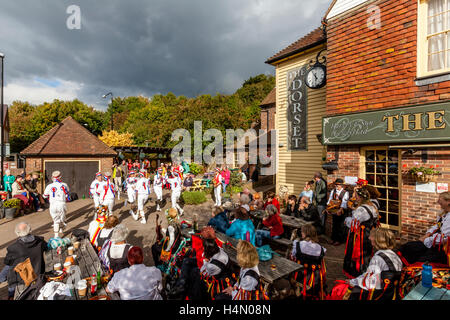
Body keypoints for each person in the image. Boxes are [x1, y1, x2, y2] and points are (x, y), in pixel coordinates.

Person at [346, 228, 402, 300]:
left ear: (378, 240)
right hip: (392, 291)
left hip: (381, 294)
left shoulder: (378, 258)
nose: (369, 238)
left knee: (343, 290)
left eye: (372, 236)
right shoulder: (394, 254)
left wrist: (353, 282)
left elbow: (370, 282)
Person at [398, 191, 450, 265]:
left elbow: (444, 238)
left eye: (440, 199)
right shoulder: (444, 212)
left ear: (448, 202)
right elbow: (437, 225)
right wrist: (426, 235)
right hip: (432, 243)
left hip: (442, 250)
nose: (438, 201)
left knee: (419, 262)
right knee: (407, 247)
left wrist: (426, 240)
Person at [3, 223, 48, 300]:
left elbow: (7, 261)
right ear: (30, 230)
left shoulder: (13, 248)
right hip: (39, 272)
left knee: (9, 268)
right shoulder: (40, 241)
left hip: (24, 279)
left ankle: (10, 293)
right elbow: (47, 247)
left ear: (17, 233)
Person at [343, 187, 379, 278]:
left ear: (360, 197)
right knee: (366, 252)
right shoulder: (373, 206)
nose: (355, 198)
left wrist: (346, 220)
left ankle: (356, 272)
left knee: (357, 252)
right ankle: (365, 269)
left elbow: (354, 224)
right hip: (369, 233)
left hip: (359, 235)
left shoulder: (361, 210)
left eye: (356, 196)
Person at [291, 224, 327, 300]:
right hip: (314, 277)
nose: (301, 233)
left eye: (302, 232)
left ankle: (298, 292)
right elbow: (321, 260)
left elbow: (293, 256)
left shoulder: (298, 244)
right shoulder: (321, 249)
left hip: (300, 274)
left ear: (306, 233)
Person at [43, 171, 70, 238]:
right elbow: (67, 193)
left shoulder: (49, 186)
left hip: (53, 204)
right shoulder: (64, 185)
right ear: (60, 177)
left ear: (52, 178)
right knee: (62, 219)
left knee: (55, 221)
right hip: (61, 204)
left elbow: (45, 196)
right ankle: (61, 228)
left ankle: (56, 235)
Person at [327, 178, 350, 246]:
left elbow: (344, 202)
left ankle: (339, 240)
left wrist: (340, 210)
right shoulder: (333, 191)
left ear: (342, 185)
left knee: (340, 226)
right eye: (336, 184)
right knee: (334, 225)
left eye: (338, 185)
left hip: (342, 211)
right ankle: (333, 239)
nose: (336, 186)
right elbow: (330, 200)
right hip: (334, 209)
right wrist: (328, 208)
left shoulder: (345, 192)